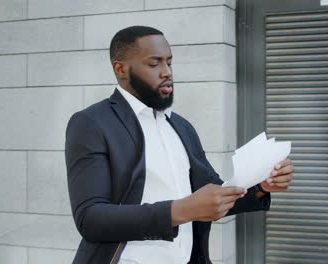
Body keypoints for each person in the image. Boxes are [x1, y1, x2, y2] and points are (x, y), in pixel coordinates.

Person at [65, 26, 294, 264]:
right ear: (121, 69)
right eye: (154, 64)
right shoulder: (91, 123)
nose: (166, 72)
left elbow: (210, 193)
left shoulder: (180, 126)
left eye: (169, 63)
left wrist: (260, 186)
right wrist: (181, 209)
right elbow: (90, 219)